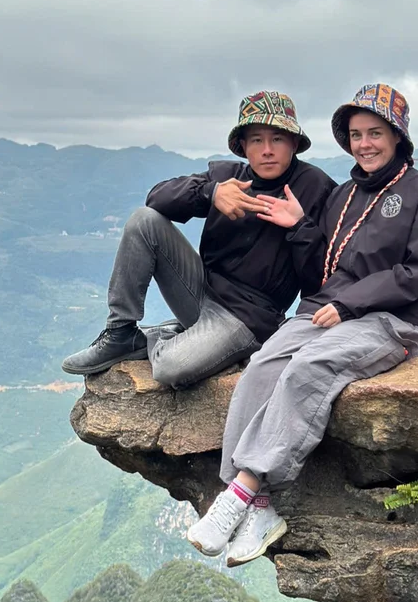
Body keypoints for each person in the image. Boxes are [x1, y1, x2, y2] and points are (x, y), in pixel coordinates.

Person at [187, 83, 418, 566]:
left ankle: (239, 493)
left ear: (397, 136)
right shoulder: (344, 195)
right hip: (326, 309)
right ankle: (262, 510)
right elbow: (322, 271)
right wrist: (299, 227)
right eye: (355, 135)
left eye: (375, 133)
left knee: (310, 366)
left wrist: (351, 303)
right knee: (264, 365)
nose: (364, 144)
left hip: (393, 321)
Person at [62, 91, 336, 389]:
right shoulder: (227, 176)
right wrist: (211, 193)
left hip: (248, 317)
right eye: (257, 140)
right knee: (144, 221)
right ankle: (120, 332)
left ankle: (163, 336)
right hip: (199, 288)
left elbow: (320, 280)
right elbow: (156, 198)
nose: (267, 150)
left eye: (278, 139)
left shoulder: (316, 188)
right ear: (243, 146)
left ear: (294, 143)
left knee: (169, 368)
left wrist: (299, 227)